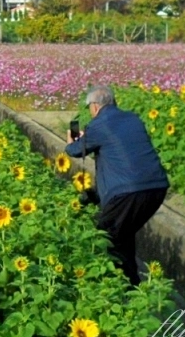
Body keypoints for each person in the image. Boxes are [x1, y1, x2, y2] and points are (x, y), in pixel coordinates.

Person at [65, 84, 169, 286]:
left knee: (106, 237)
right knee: (122, 235)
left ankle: (127, 289)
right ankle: (131, 284)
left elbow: (75, 151)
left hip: (127, 192)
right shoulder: (133, 119)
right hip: (156, 188)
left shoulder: (98, 125)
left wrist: (71, 141)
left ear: (94, 106)